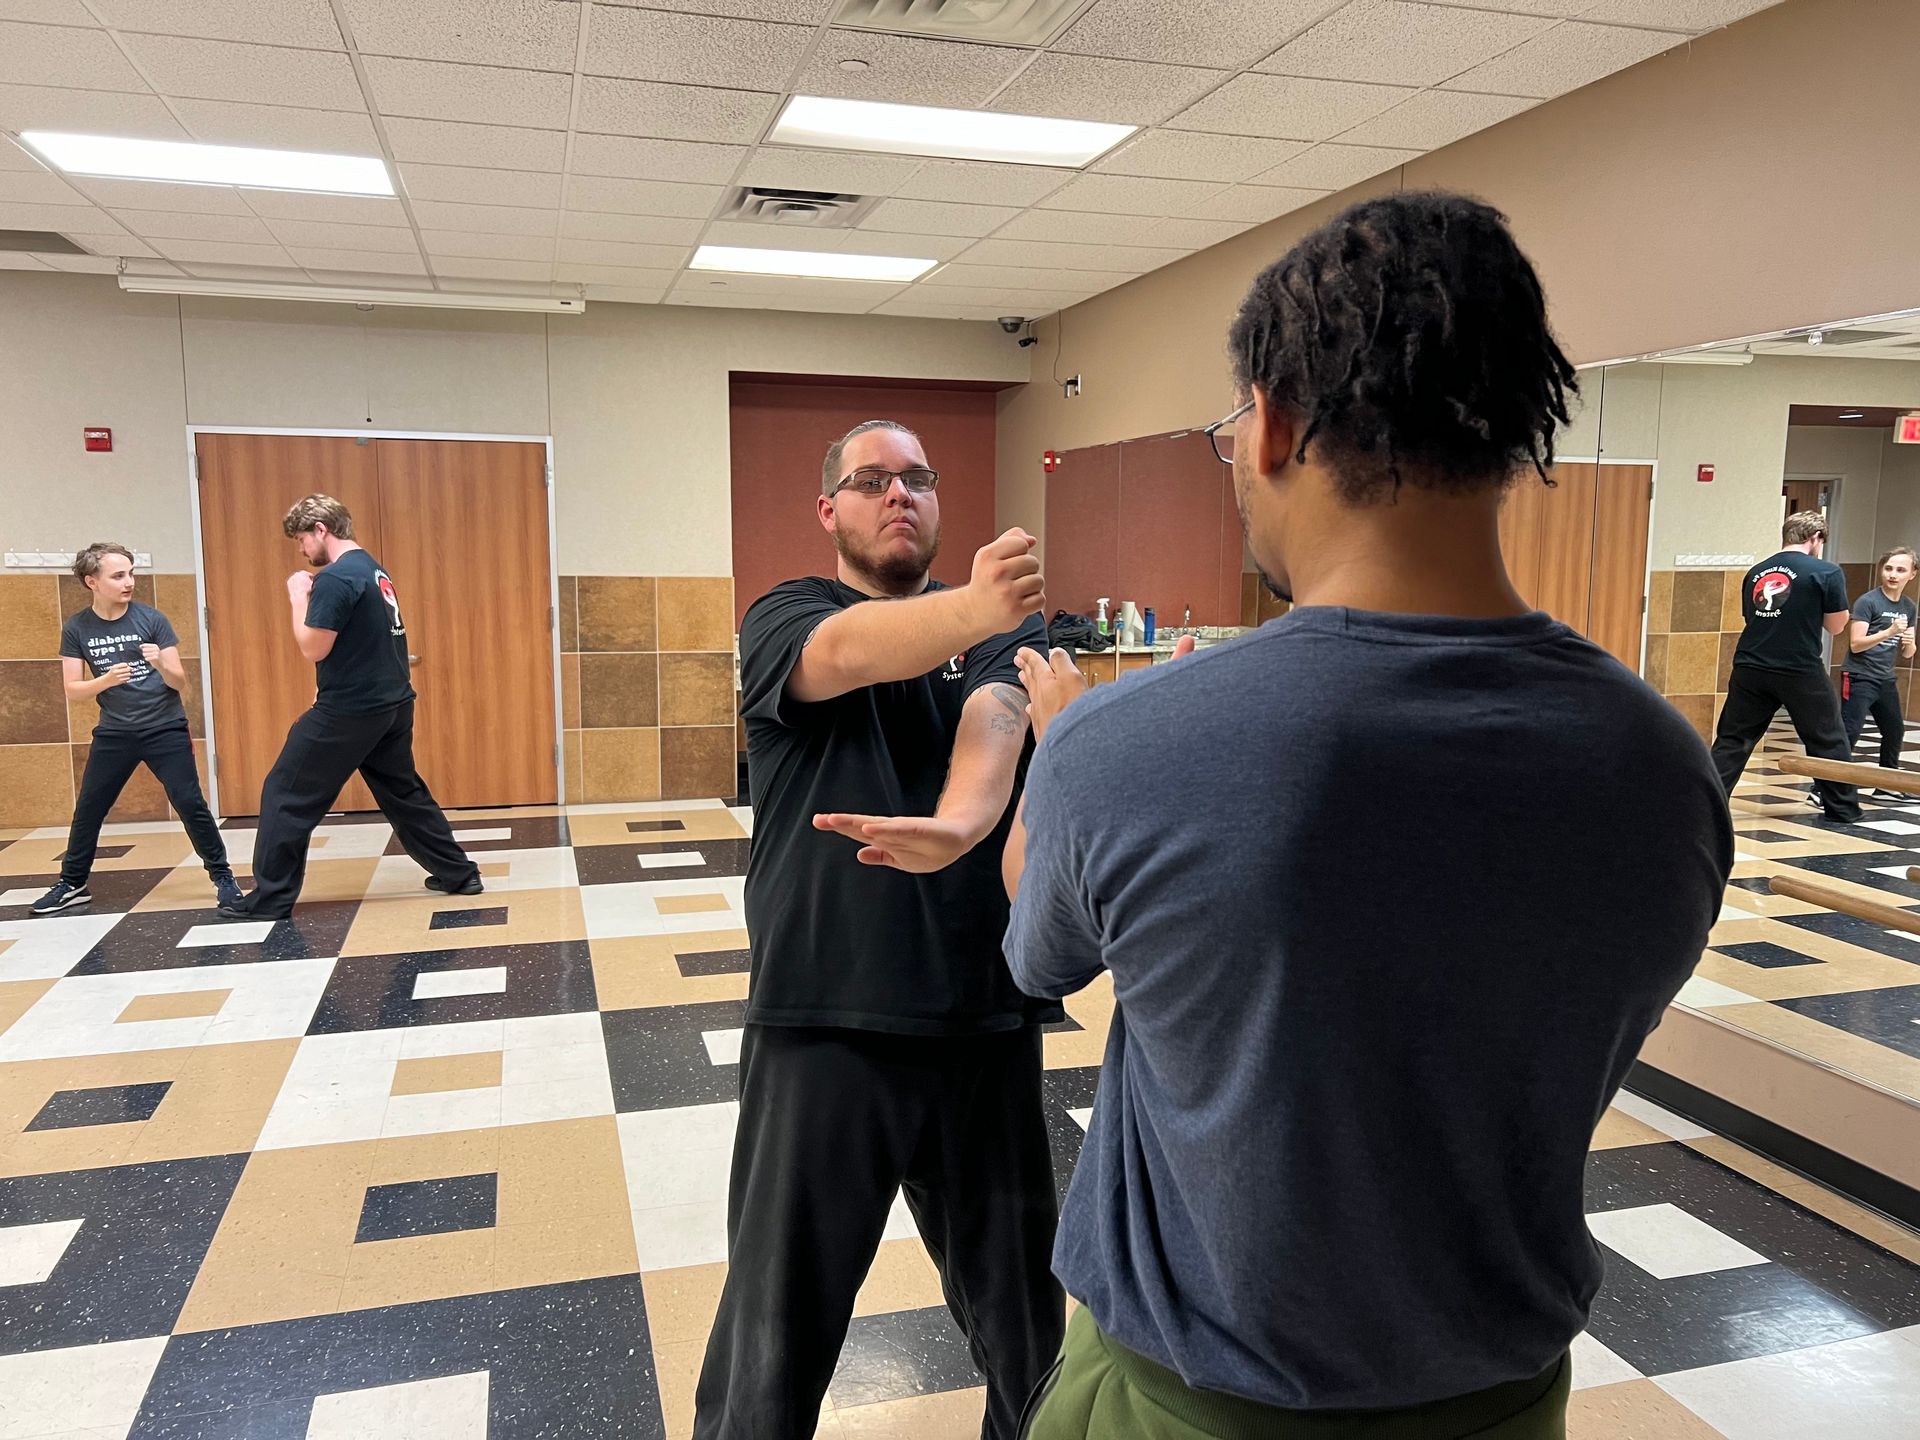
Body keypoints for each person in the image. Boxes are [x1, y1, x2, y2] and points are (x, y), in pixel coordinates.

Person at [1002, 192, 1733, 1440]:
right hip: (1500, 1405)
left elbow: (1042, 952)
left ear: (1275, 422)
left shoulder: (1127, 747)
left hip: (1187, 1409)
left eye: (1229, 425)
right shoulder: (1664, 770)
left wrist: (1061, 755)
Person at [692, 420, 1064, 1440]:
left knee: (1029, 1330)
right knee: (775, 1337)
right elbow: (845, 655)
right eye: (871, 481)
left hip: (981, 1018)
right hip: (826, 1019)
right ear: (829, 511)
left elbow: (996, 722)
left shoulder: (1001, 638)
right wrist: (976, 604)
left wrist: (957, 825)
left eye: (918, 479)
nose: (898, 494)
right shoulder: (787, 615)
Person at [219, 495, 480, 920]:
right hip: (393, 703)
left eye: (302, 539)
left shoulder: (336, 578)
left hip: (352, 708)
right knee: (402, 791)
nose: (302, 550)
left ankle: (269, 900)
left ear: (321, 529)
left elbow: (313, 648)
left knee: (285, 793)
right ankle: (458, 873)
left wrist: (298, 596)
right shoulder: (374, 570)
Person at [32, 543, 240, 915]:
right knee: (90, 807)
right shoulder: (77, 627)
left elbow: (180, 683)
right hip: (115, 733)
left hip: (165, 729)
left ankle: (224, 878)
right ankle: (72, 883)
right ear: (91, 581)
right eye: (118, 575)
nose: (129, 582)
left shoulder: (152, 619)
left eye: (131, 573)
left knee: (190, 803)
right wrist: (106, 681)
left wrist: (161, 662)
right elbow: (72, 689)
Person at [1709, 511, 1862, 821]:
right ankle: (1842, 810)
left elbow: (1752, 618)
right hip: (1798, 667)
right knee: (1827, 738)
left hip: (1750, 664)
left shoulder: (1756, 571)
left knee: (1733, 740)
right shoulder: (1826, 572)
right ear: (1816, 538)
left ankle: (1706, 804)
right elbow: (1835, 627)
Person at [1840, 544, 1917, 797]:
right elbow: (1855, 644)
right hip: (1859, 676)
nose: (1893, 574)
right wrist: (1888, 632)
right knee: (1849, 731)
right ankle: (1823, 788)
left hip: (1885, 678)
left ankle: (1886, 783)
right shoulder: (1868, 602)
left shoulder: (1909, 607)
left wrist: (1910, 644)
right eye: (1888, 568)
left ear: (1912, 574)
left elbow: (1907, 653)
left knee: (1894, 730)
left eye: (1900, 570)